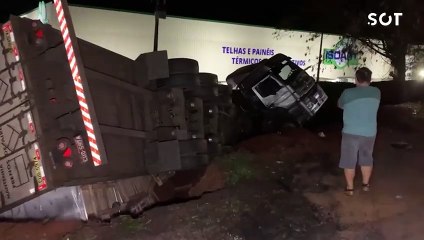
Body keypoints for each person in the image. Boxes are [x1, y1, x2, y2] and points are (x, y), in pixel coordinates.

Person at [337, 67, 381, 196]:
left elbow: (340, 105)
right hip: (369, 132)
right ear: (370, 79)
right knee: (367, 158)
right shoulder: (376, 92)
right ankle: (365, 185)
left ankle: (350, 188)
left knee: (348, 160)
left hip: (350, 132)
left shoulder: (347, 92)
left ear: (356, 79)